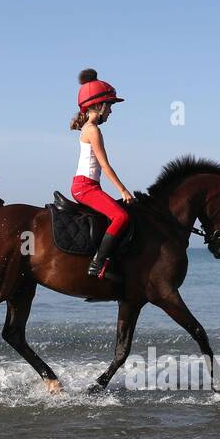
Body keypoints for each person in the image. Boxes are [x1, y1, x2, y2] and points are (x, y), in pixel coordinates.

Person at [69, 69, 131, 282]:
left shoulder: (89, 127)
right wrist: (123, 190)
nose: (111, 112)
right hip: (85, 187)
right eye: (110, 106)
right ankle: (97, 265)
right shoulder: (93, 129)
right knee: (121, 216)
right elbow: (105, 166)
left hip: (88, 186)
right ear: (99, 105)